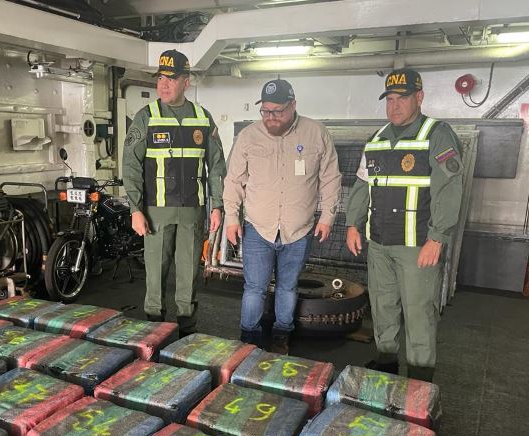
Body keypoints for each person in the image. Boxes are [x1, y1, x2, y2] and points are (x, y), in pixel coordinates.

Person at [345, 68, 464, 382]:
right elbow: (361, 184)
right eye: (390, 99)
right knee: (383, 306)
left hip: (417, 246)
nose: (394, 106)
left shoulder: (436, 135)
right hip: (380, 243)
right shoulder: (378, 139)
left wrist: (437, 238)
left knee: (418, 312)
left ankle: (420, 377)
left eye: (403, 98)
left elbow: (448, 189)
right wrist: (353, 225)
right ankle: (385, 362)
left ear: (420, 97)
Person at [223, 79, 342, 354]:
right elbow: (233, 180)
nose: (271, 118)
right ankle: (249, 338)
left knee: (288, 287)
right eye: (265, 111)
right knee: (254, 288)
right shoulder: (249, 137)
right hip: (257, 227)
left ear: (293, 105)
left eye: (278, 111)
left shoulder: (316, 134)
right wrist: (231, 217)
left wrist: (327, 217)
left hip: (298, 229)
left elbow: (331, 179)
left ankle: (281, 335)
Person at [123, 50, 226, 336]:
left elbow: (216, 165)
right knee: (155, 278)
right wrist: (135, 209)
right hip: (156, 213)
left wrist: (217, 205)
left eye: (170, 78)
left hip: (192, 212)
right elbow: (130, 166)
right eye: (160, 79)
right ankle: (153, 338)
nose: (163, 85)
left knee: (188, 276)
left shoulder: (202, 118)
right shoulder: (146, 117)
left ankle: (186, 335)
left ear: (186, 81)